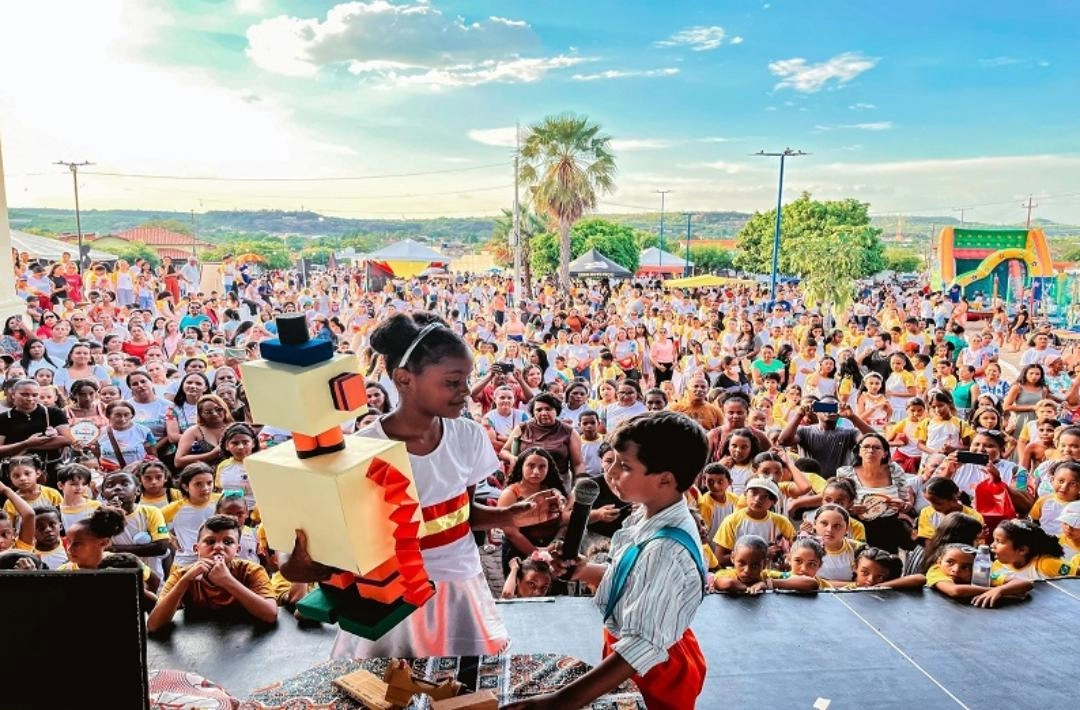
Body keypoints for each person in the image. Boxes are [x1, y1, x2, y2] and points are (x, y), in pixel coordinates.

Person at [283, 312, 562, 659]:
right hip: (394, 594)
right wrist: (306, 561)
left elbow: (463, 514)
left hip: (460, 582)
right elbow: (324, 547)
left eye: (467, 380)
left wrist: (510, 515)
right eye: (452, 382)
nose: (466, 392)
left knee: (459, 687)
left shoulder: (468, 435)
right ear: (404, 379)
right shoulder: (362, 450)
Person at [506, 411, 710, 710]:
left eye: (625, 465)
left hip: (655, 668)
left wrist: (559, 702)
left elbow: (642, 647)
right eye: (612, 460)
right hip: (630, 654)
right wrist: (586, 571)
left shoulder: (666, 549)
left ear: (665, 479)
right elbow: (634, 577)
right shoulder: (648, 512)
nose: (610, 472)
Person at [148, 514, 278, 632]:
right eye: (210, 541)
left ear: (237, 550)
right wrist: (184, 582)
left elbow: (270, 615)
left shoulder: (252, 571)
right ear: (196, 549)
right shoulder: (183, 575)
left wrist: (227, 581)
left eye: (228, 542)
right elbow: (154, 625)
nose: (218, 547)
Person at [778, 395, 873, 479]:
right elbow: (783, 441)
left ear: (839, 412)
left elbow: (874, 439)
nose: (828, 412)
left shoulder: (849, 433)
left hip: (839, 483)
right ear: (816, 411)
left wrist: (852, 416)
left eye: (833, 408)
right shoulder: (804, 431)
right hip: (811, 483)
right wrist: (799, 415)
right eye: (823, 407)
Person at [0, 379, 73, 483]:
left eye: (35, 395)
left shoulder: (52, 413)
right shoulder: (4, 418)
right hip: (18, 473)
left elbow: (68, 438)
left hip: (50, 468)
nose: (30, 398)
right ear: (13, 395)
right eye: (24, 395)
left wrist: (30, 445)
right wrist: (25, 444)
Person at [926, 543, 1032, 607]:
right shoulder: (936, 570)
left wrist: (1000, 590)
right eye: (950, 562)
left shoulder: (979, 573)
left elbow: (1025, 583)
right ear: (939, 561)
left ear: (975, 567)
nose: (956, 570)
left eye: (965, 567)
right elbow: (955, 591)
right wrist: (996, 591)